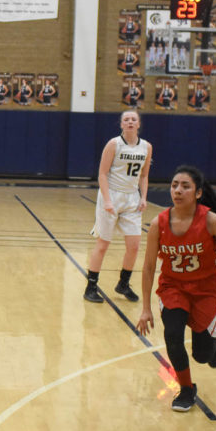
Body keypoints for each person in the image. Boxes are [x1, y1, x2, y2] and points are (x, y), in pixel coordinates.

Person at [137, 165, 216, 412]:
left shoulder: (212, 221)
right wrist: (145, 308)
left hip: (207, 290)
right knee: (172, 335)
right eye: (174, 185)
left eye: (185, 186)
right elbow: (149, 267)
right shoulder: (158, 223)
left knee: (202, 356)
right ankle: (186, 389)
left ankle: (212, 347)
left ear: (197, 193)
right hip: (174, 288)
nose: (178, 190)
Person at [84, 110, 152, 303]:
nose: (130, 122)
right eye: (126, 119)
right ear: (121, 124)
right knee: (103, 244)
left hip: (132, 199)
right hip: (111, 195)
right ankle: (90, 287)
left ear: (139, 124)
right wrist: (107, 200)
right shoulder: (114, 144)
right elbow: (102, 174)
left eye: (133, 119)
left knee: (134, 245)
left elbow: (144, 176)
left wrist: (143, 197)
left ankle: (123, 284)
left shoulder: (147, 147)